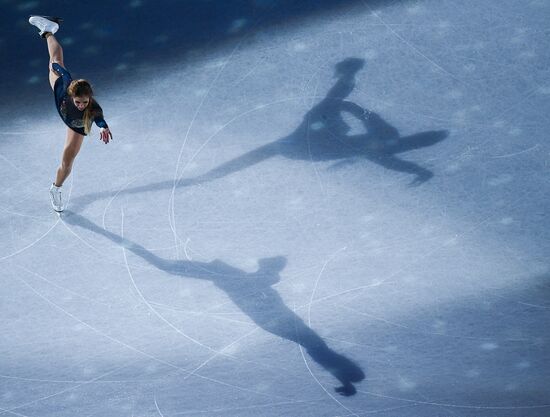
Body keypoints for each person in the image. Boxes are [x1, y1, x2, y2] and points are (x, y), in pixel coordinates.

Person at [28, 16, 113, 212]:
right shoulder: (65, 88)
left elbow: (99, 118)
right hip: (60, 95)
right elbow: (63, 73)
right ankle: (48, 30)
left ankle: (55, 188)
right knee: (55, 61)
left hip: (76, 126)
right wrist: (54, 67)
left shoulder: (92, 108)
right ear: (72, 96)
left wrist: (103, 126)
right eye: (79, 102)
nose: (82, 105)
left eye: (85, 102)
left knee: (67, 162)